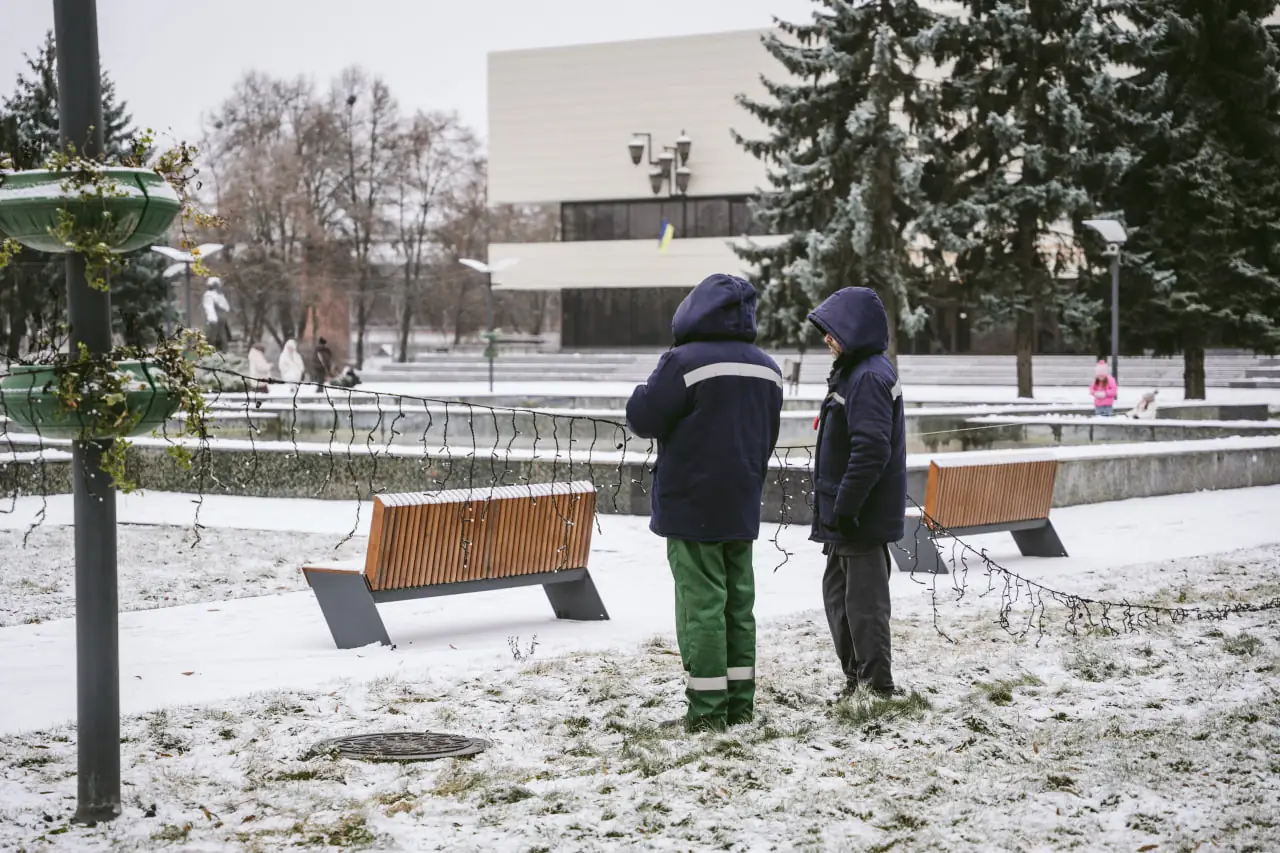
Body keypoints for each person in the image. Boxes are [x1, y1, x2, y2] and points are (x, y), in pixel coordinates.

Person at [626, 273, 783, 733]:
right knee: (738, 604)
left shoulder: (683, 362)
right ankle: (740, 703)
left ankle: (708, 710)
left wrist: (644, 386)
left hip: (691, 504)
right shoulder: (767, 367)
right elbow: (766, 433)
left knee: (702, 607)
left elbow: (644, 417)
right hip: (742, 500)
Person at [808, 287, 907, 701]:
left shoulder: (867, 376)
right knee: (839, 598)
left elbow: (871, 449)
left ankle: (875, 687)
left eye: (832, 331)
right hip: (844, 518)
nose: (826, 340)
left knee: (863, 606)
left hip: (857, 518)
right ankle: (858, 680)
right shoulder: (857, 371)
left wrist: (846, 506)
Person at [202, 278, 232, 351]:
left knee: (218, 336)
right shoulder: (214, 295)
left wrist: (214, 318)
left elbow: (211, 308)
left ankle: (220, 351)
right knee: (218, 335)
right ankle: (221, 350)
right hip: (219, 318)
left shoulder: (214, 295)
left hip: (219, 318)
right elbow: (210, 308)